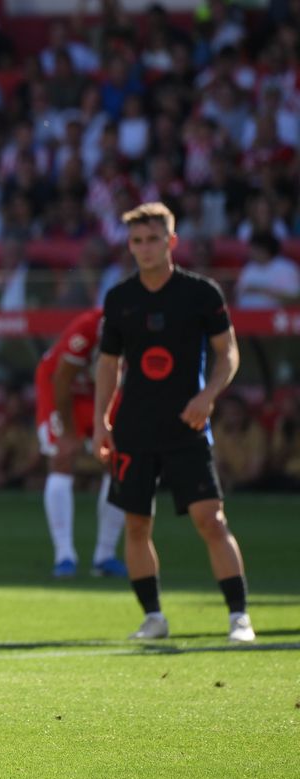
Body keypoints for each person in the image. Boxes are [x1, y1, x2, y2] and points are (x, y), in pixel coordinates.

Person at [93, 202, 255, 643]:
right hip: (133, 428)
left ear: (172, 241)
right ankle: (153, 617)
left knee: (211, 519)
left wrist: (207, 396)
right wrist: (100, 422)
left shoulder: (201, 293)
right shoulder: (120, 298)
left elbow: (229, 353)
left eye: (153, 239)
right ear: (129, 245)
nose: (145, 248)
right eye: (137, 241)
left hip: (186, 427)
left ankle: (239, 616)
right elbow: (108, 366)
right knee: (136, 525)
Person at [35, 307, 127, 579]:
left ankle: (105, 555)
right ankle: (64, 555)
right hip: (64, 391)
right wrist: (69, 432)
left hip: (105, 391)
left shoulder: (143, 327)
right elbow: (62, 379)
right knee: (62, 457)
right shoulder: (86, 328)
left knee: (119, 461)